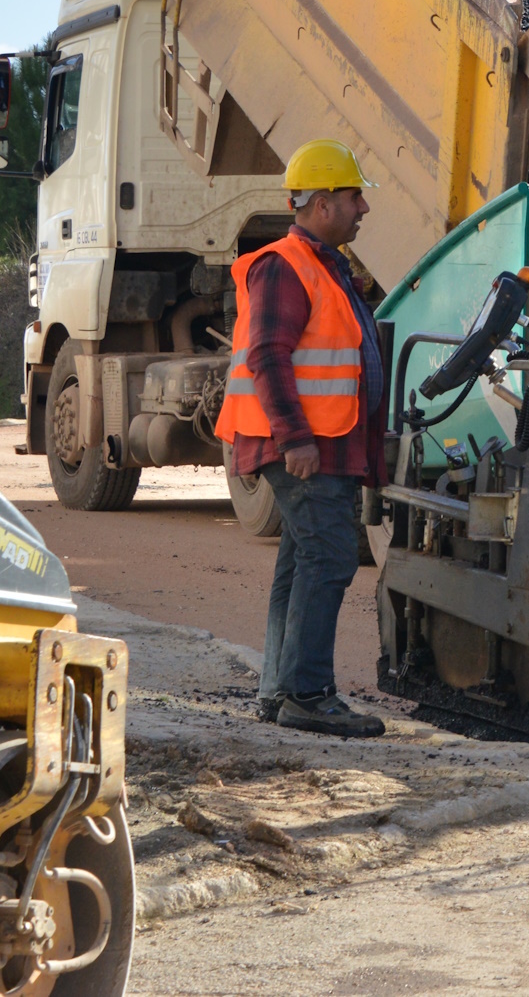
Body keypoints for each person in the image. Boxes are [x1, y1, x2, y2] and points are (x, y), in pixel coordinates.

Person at [217, 139, 389, 737]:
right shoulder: (283, 265)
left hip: (324, 443)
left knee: (300, 561)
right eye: (352, 196)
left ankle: (281, 691)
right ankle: (309, 695)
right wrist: (295, 438)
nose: (362, 208)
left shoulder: (323, 266)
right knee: (331, 556)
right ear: (320, 204)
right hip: (302, 447)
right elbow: (268, 353)